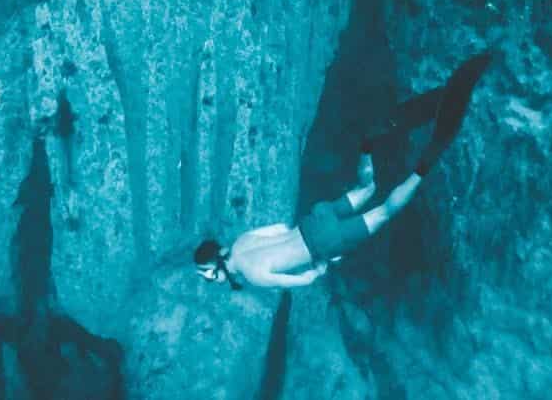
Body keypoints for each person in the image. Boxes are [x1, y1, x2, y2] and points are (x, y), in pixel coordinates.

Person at [194, 51, 492, 290]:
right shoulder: (242, 241)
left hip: (325, 241)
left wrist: (321, 266)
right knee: (369, 190)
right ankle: (369, 144)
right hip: (314, 219)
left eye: (209, 277)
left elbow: (303, 279)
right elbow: (282, 229)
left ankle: (428, 159)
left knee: (386, 211)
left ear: (213, 268)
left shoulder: (254, 275)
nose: (213, 281)